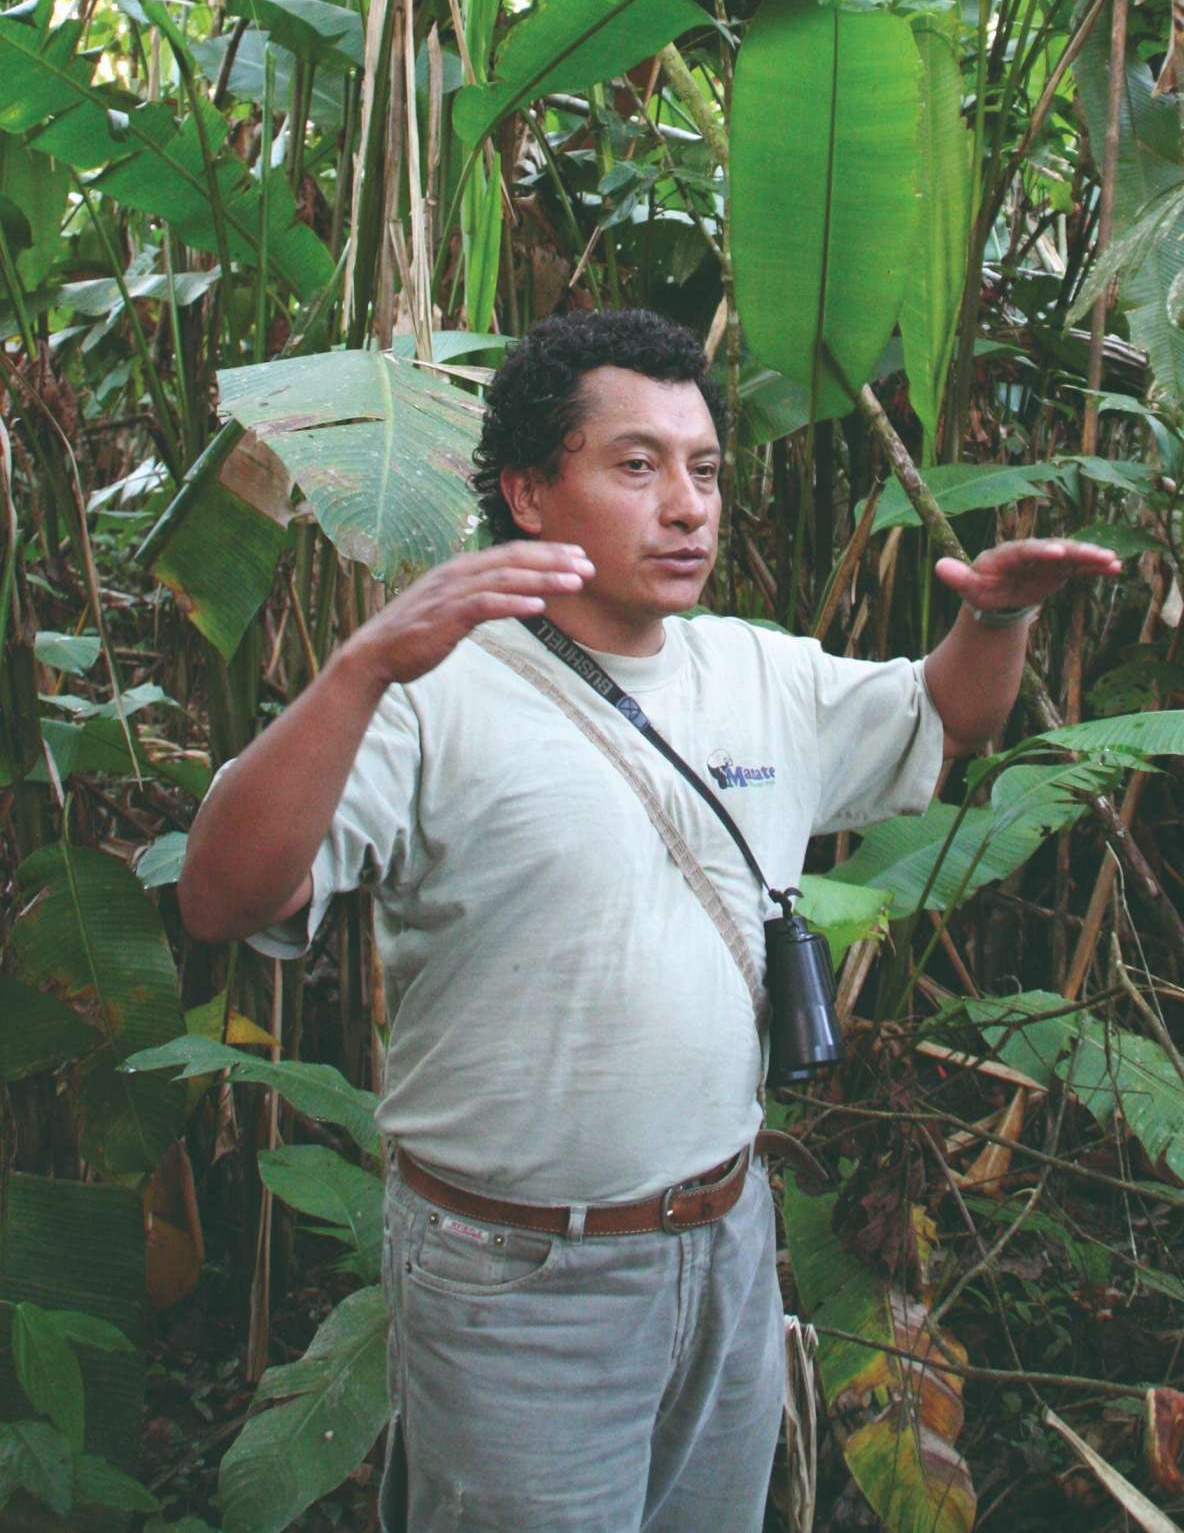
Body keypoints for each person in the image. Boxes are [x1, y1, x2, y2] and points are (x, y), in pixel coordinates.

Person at [180, 309, 1121, 1533]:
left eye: (705, 469)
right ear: (527, 490)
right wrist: (361, 666)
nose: (687, 505)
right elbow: (221, 896)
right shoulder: (432, 691)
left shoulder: (758, 672)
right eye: (637, 466)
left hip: (723, 1241)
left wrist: (993, 618)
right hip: (514, 1279)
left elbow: (944, 718)